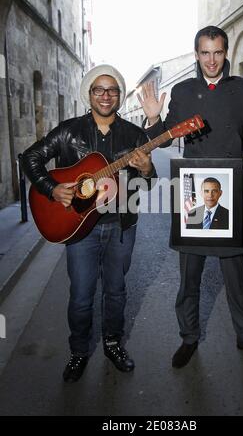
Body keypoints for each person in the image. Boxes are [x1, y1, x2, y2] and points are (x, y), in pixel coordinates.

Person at [138, 26, 243, 369]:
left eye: (218, 52)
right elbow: (163, 139)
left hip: (230, 193)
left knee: (236, 277)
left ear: (225, 53)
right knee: (189, 276)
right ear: (196, 55)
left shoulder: (241, 88)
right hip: (192, 190)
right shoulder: (182, 91)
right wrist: (153, 119)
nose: (211, 59)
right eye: (205, 53)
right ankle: (188, 338)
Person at [22, 64, 157, 383]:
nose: (106, 95)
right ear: (89, 94)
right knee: (81, 295)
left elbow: (146, 186)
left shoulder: (135, 135)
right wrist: (51, 188)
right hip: (78, 225)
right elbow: (30, 157)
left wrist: (148, 171)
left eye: (112, 90)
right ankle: (79, 351)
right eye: (99, 89)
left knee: (116, 291)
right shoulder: (69, 131)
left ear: (120, 96)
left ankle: (112, 344)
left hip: (122, 224)